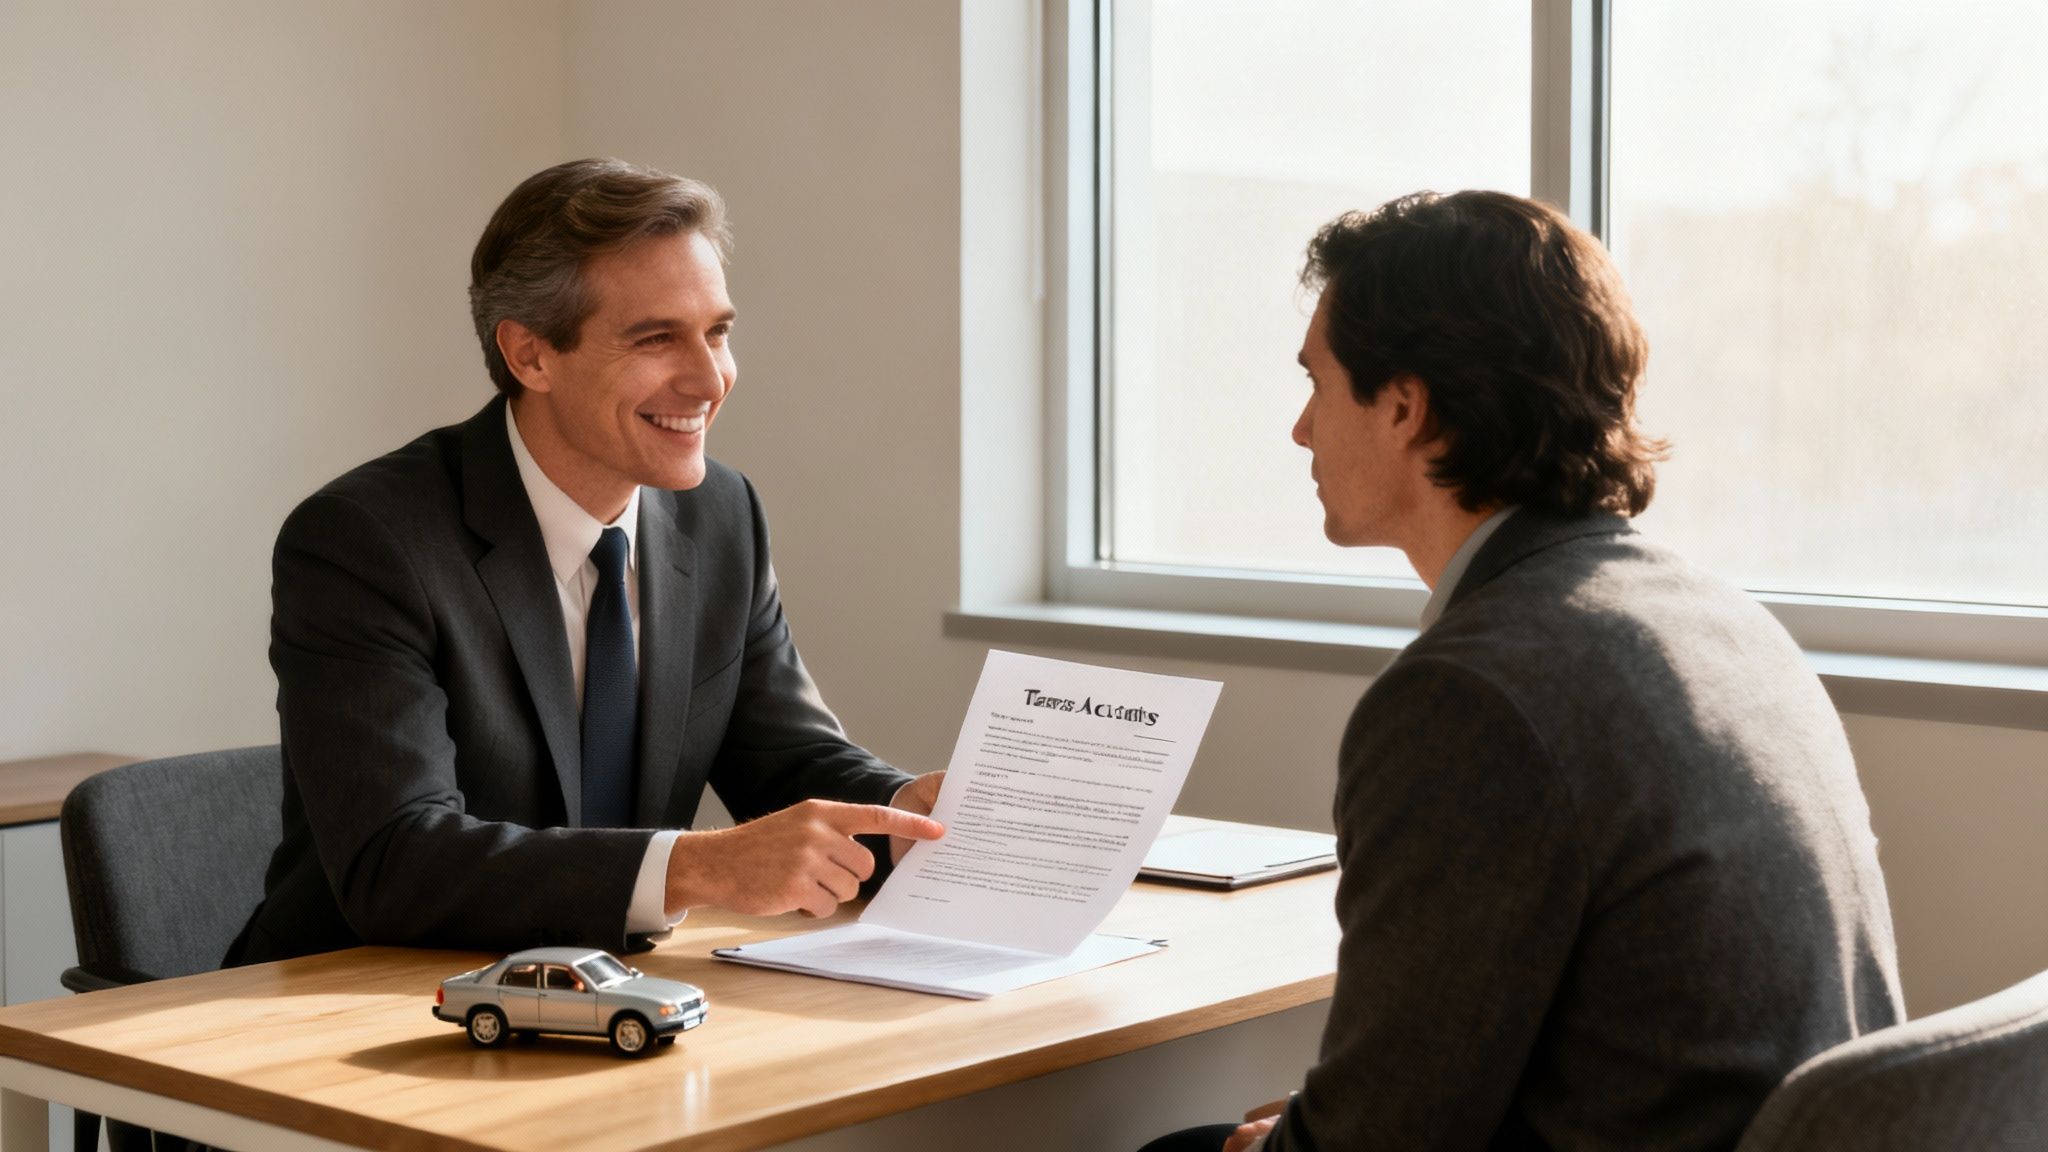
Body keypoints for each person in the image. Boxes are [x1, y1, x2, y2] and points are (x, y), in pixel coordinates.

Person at [1145, 191, 1902, 1152]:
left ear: (1407, 408)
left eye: (1318, 384)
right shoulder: (1720, 618)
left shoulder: (1468, 695)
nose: (1300, 429)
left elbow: (1384, 1140)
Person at [230, 158, 944, 965]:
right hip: (360, 1003)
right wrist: (696, 866)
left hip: (607, 992)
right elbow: (397, 859)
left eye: (717, 332)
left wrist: (905, 811)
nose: (710, 380)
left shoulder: (721, 516)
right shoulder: (368, 540)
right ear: (530, 356)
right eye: (655, 339)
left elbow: (785, 757)